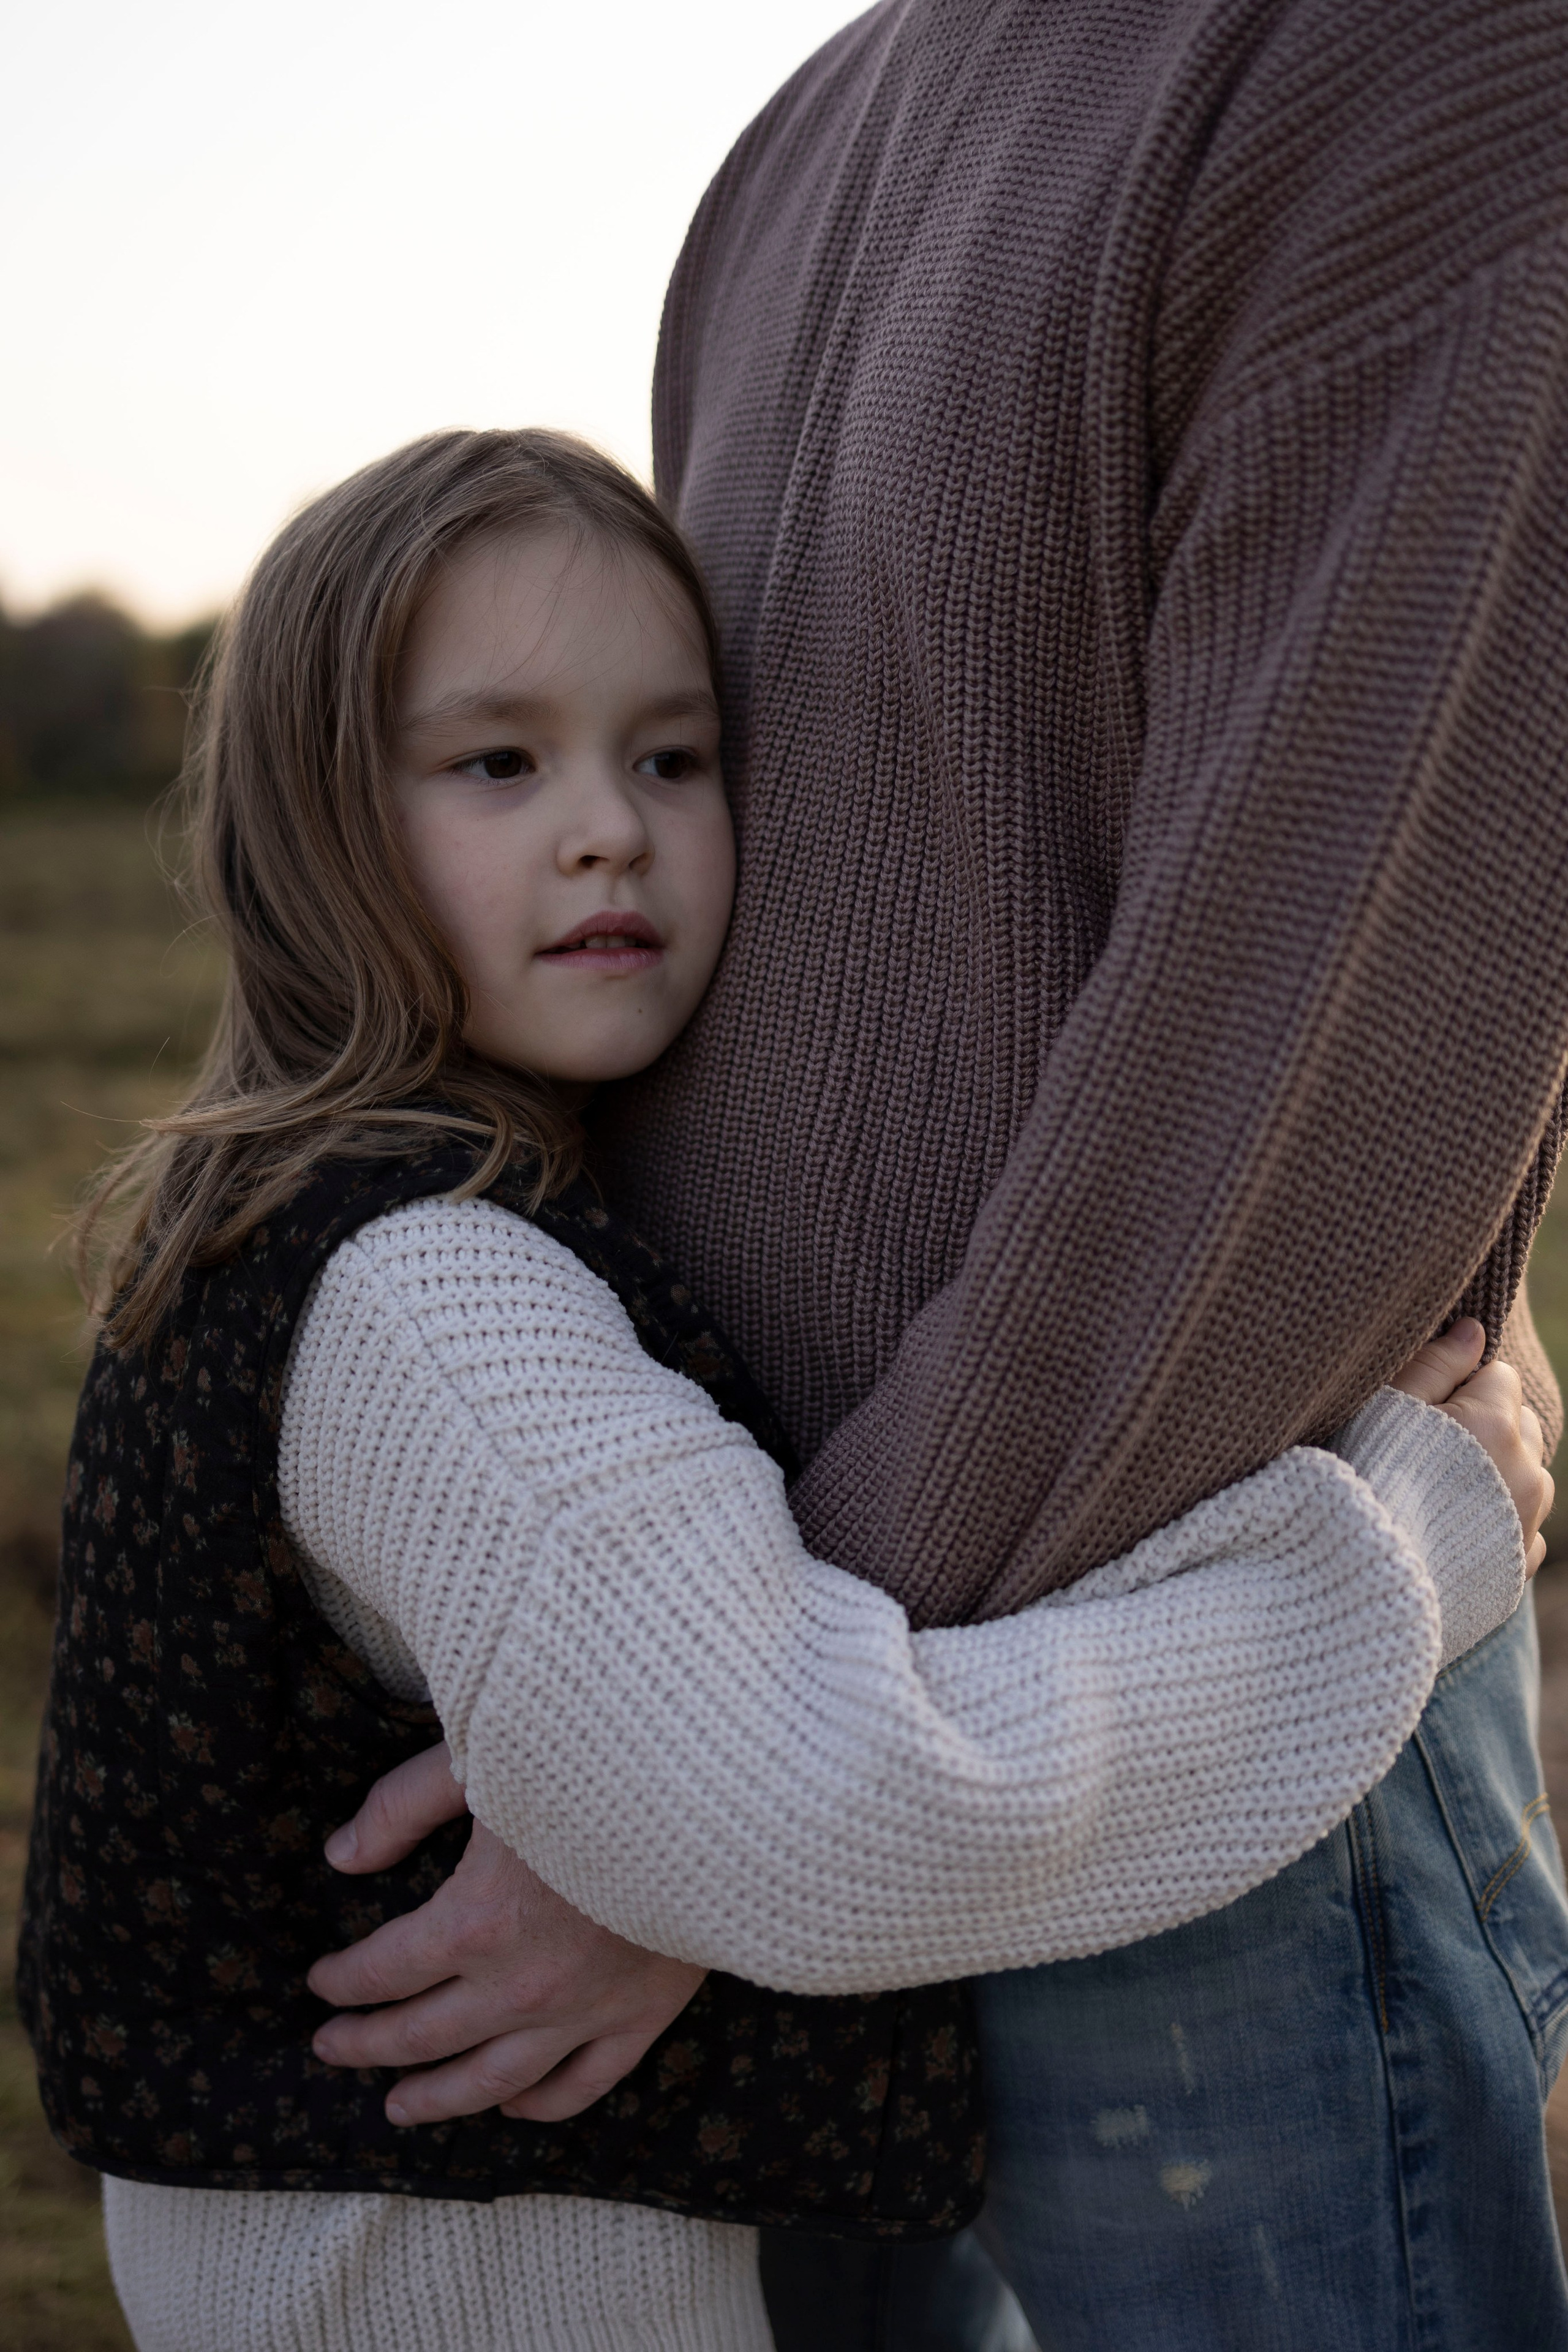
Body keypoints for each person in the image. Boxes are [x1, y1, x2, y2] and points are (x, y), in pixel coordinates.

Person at [307, 2, 1568, 2345]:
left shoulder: (1444, 62)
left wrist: (729, 1793)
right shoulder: (796, 143)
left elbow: (1327, 1015)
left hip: (1206, 1750)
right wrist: (712, 1764)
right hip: (796, 1700)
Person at [18, 428, 1548, 2352]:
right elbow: (826, 1805)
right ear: (312, 822)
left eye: (672, 756)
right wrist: (1414, 1531)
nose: (610, 829)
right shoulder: (430, 1298)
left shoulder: (301, 1219)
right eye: (499, 762)